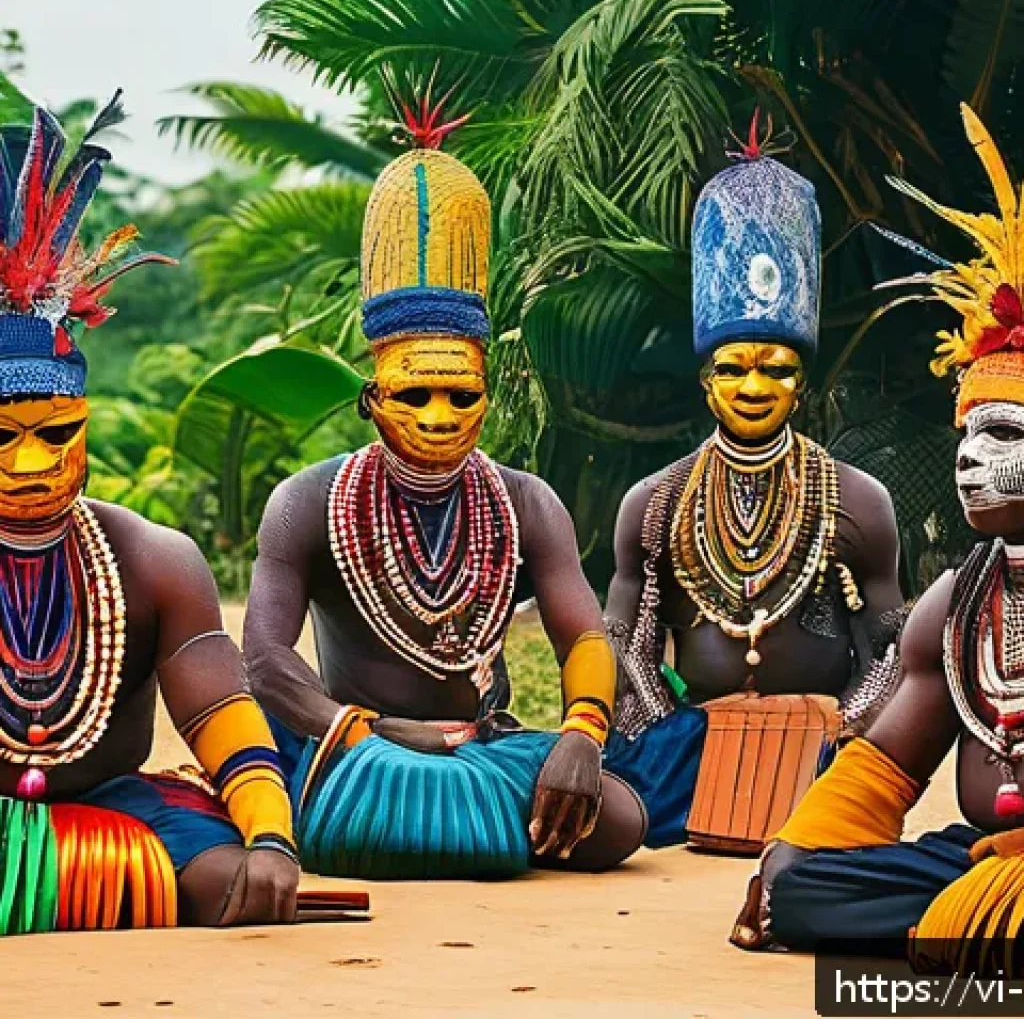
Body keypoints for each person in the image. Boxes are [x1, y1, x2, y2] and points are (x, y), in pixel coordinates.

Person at [244, 96, 646, 880]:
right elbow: (263, 658)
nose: (438, 416)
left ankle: (446, 822)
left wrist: (581, 734)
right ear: (371, 398)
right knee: (329, 798)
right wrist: (363, 731)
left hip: (480, 744)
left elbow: (585, 637)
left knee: (620, 819)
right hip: (357, 744)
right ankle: (455, 827)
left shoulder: (526, 504)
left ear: (487, 394)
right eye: (413, 394)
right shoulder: (307, 503)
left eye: (461, 395)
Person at [732, 104, 1024, 976]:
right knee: (808, 889)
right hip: (982, 856)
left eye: (1003, 437)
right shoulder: (961, 603)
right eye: (965, 436)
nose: (969, 461)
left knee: (978, 902)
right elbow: (887, 765)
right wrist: (786, 858)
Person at [0, 98, 301, 934]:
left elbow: (218, 709)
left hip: (112, 807)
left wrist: (272, 835)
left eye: (56, 434)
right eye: (3, 439)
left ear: (86, 422)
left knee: (234, 886)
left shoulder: (151, 560)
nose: (31, 465)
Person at [603, 113, 905, 850]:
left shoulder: (856, 502)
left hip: (822, 744)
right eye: (733, 367)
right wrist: (677, 731)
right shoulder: (656, 503)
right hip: (686, 751)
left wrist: (841, 723)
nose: (753, 387)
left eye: (776, 368)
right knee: (621, 803)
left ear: (803, 383)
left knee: (842, 808)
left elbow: (891, 652)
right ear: (705, 380)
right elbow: (625, 647)